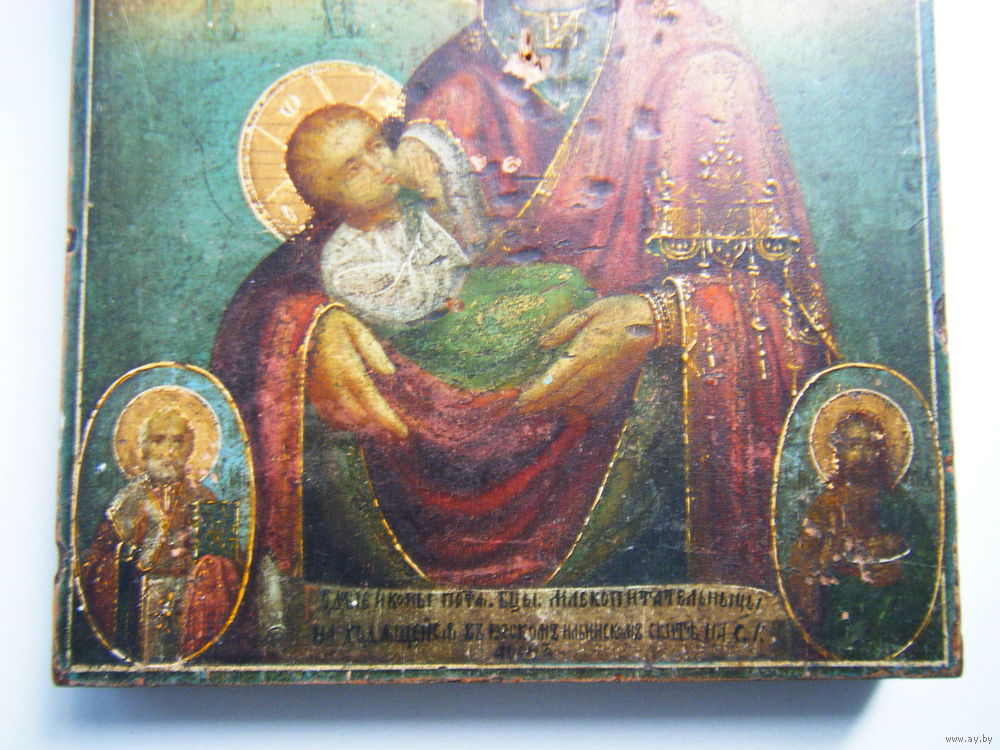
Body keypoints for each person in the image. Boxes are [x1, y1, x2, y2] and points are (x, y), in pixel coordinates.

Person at [213, 0, 838, 592]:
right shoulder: (454, 72)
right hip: (426, 403)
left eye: (377, 152)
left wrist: (660, 317)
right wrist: (306, 330)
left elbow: (785, 313)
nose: (378, 164)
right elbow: (317, 250)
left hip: (623, 457)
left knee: (555, 295)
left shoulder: (700, 72)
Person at [79, 408, 239, 662]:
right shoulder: (128, 500)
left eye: (178, 441)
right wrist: (129, 556)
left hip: (190, 611)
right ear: (143, 448)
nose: (169, 452)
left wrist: (202, 563)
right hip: (136, 611)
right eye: (158, 440)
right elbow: (94, 563)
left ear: (190, 448)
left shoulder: (204, 498)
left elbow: (227, 570)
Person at [784, 411, 934, 658]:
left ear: (880, 452)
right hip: (837, 614)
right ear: (838, 451)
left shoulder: (899, 504)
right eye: (853, 445)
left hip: (890, 613)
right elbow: (799, 569)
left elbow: (929, 564)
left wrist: (900, 570)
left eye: (869, 445)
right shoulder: (824, 506)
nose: (861, 454)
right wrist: (824, 562)